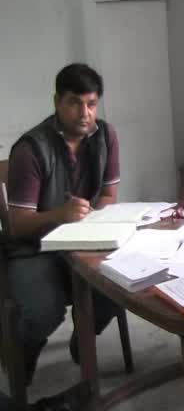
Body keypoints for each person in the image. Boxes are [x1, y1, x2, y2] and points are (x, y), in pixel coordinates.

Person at [6, 63, 122, 409]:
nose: (84, 113)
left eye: (91, 103)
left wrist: (94, 224)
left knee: (123, 286)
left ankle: (81, 341)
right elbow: (17, 224)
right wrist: (61, 215)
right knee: (44, 309)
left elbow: (108, 197)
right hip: (34, 248)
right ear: (57, 102)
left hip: (84, 242)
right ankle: (20, 354)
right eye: (74, 103)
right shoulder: (30, 149)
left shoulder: (105, 136)